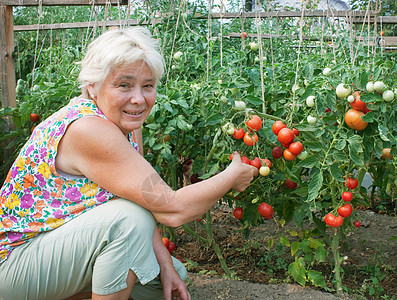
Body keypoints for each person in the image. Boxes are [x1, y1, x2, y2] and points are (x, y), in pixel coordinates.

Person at [0, 27, 258, 300]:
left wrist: (166, 265)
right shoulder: (88, 129)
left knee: (166, 281)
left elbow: (142, 201)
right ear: (93, 86)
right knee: (127, 223)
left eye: (147, 85)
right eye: (124, 85)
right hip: (12, 263)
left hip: (50, 250)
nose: (138, 98)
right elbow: (172, 210)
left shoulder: (124, 125)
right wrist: (231, 176)